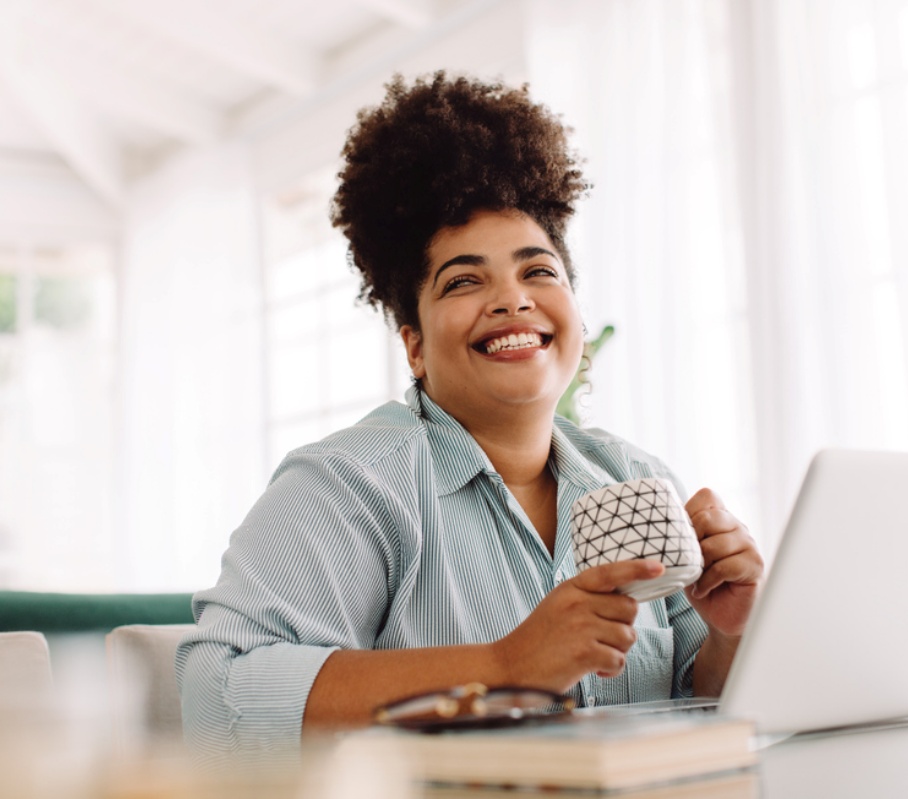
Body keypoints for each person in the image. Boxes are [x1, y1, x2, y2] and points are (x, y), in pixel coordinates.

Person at [176, 71, 764, 763]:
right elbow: (216, 700)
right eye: (463, 280)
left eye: (538, 271)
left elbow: (699, 706)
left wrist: (730, 633)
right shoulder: (346, 485)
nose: (512, 300)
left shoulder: (636, 478)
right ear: (415, 345)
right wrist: (505, 665)